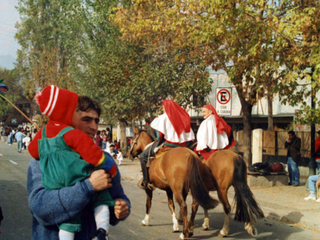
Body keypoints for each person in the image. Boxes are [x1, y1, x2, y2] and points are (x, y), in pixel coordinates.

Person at [27, 93, 130, 240]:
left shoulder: (104, 160)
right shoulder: (42, 161)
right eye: (86, 120)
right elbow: (41, 208)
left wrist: (122, 207)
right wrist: (88, 186)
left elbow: (118, 197)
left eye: (96, 121)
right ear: (70, 120)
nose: (94, 127)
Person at [138, 100, 195, 189]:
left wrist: (160, 141)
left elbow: (159, 135)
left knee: (142, 156)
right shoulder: (181, 117)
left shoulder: (163, 117)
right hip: (183, 146)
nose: (163, 109)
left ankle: (146, 181)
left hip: (168, 144)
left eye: (163, 107)